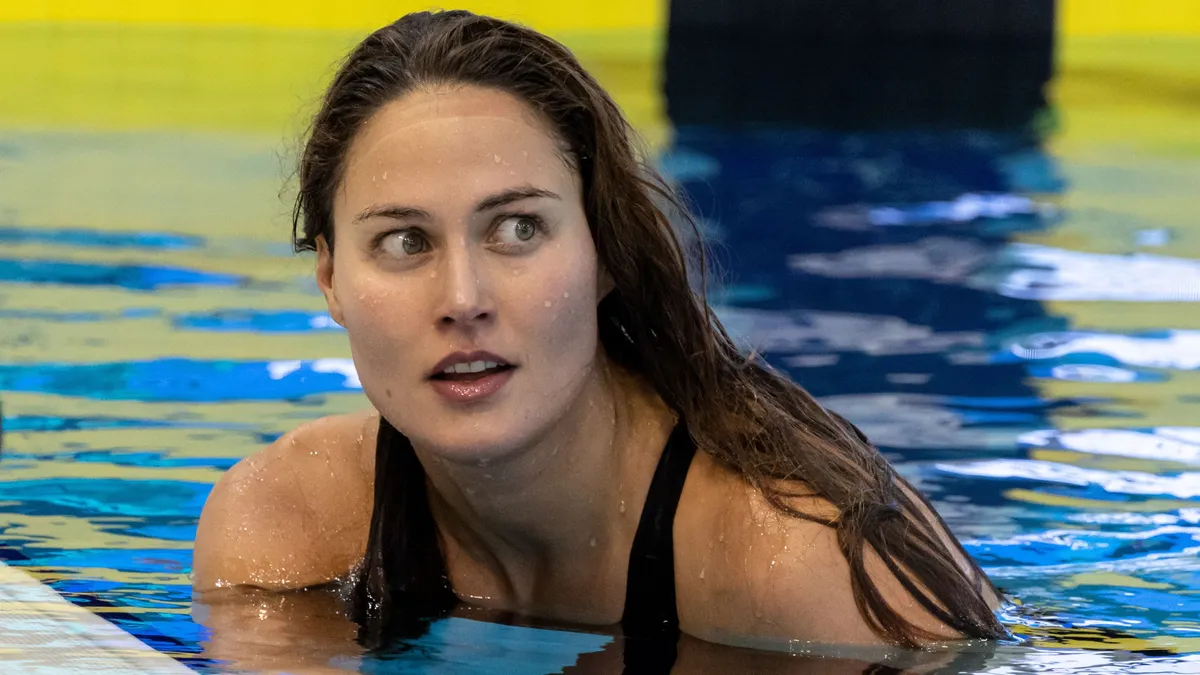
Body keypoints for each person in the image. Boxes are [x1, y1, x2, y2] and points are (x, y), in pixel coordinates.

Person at [192, 9, 1006, 660]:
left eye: (518, 229)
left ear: (604, 251)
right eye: (405, 241)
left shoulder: (797, 567)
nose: (463, 299)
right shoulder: (288, 532)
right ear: (330, 277)